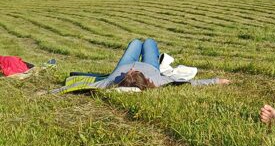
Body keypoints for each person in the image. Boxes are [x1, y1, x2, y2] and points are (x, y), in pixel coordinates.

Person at [53, 38, 230, 93]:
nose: (131, 70)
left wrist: (50, 92)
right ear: (143, 78)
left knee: (136, 42)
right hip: (151, 65)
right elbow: (188, 83)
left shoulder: (109, 82)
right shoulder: (158, 81)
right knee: (149, 42)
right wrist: (216, 80)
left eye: (128, 73)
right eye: (133, 72)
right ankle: (148, 43)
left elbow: (78, 86)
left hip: (126, 60)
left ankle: (138, 42)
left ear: (123, 78)